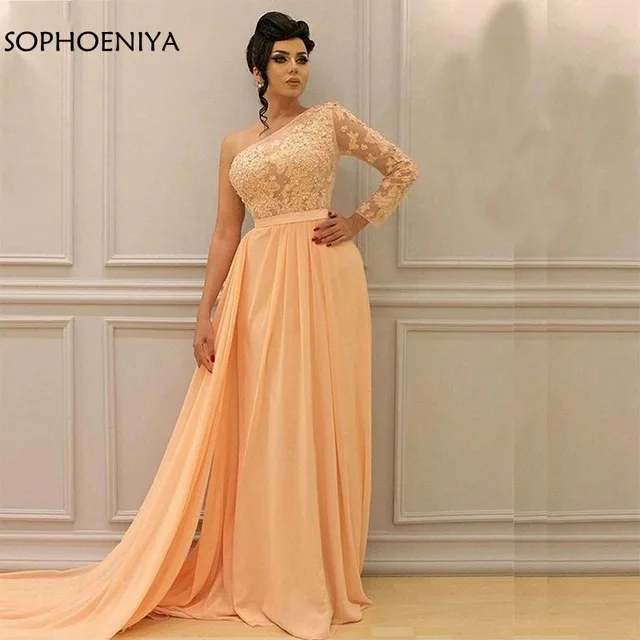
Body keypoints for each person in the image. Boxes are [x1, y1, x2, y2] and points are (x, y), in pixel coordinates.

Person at [0, 11, 419, 640]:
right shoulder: (234, 145)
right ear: (257, 70)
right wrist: (206, 311)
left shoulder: (330, 120)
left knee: (315, 411)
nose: (295, 69)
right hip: (259, 279)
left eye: (302, 58)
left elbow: (402, 167)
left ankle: (313, 572)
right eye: (281, 58)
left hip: (322, 274)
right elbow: (226, 231)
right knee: (263, 417)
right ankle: (266, 565)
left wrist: (358, 221)